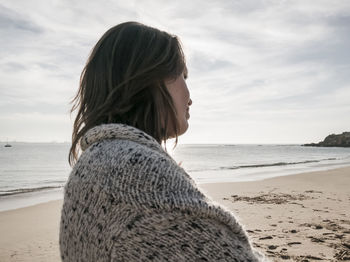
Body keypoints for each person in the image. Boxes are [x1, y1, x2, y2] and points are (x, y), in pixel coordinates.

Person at [59, 21, 267, 262]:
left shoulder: (93, 162)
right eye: (182, 75)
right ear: (147, 80)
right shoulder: (137, 174)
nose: (190, 98)